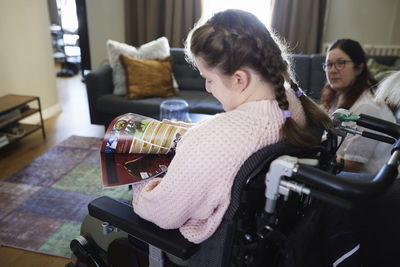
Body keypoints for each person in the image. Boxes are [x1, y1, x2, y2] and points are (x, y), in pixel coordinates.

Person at [131, 9, 331, 245]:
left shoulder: (214, 141)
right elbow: (237, 133)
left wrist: (139, 183)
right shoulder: (293, 104)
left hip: (202, 251)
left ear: (239, 79)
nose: (207, 88)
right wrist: (193, 133)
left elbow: (163, 212)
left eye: (210, 79)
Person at [320, 39, 396, 174]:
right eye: (329, 64)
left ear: (359, 67)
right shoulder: (337, 96)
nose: (332, 70)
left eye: (340, 63)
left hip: (372, 182)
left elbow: (354, 165)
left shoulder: (367, 106)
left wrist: (310, 155)